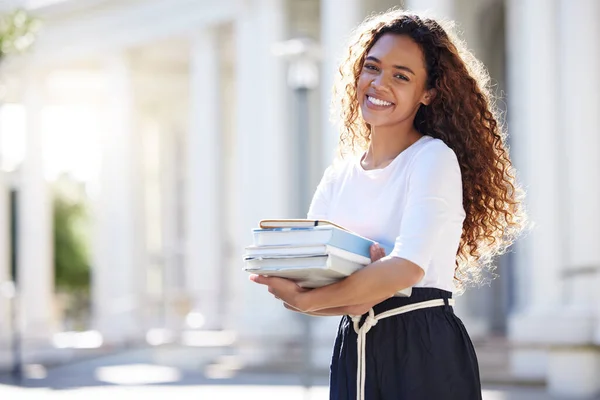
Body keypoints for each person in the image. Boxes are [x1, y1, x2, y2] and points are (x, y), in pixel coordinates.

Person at [250, 9, 527, 400]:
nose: (379, 84)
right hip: (354, 347)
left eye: (401, 76)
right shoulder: (338, 175)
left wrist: (309, 300)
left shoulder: (432, 158)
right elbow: (308, 266)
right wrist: (335, 292)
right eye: (372, 68)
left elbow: (406, 268)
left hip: (423, 349)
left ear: (428, 93)